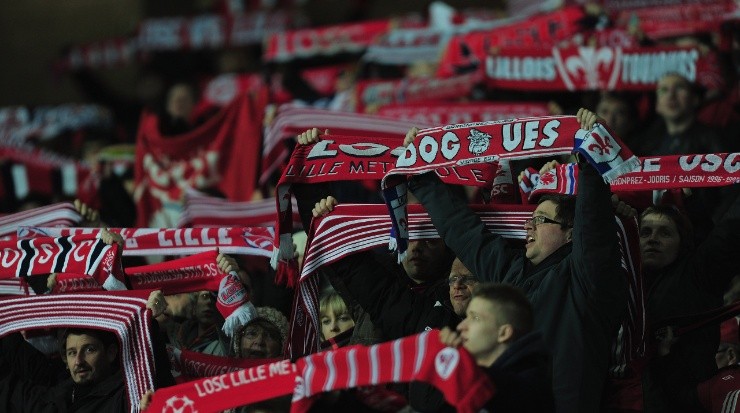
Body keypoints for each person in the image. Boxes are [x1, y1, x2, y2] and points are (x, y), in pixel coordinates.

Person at [404, 108, 628, 413]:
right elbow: (463, 231)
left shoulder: (586, 280)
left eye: (541, 219)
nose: (528, 226)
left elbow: (594, 225)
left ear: (571, 233)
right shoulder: (512, 272)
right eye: (530, 219)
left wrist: (590, 157)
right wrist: (421, 177)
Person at [638, 191, 740, 412]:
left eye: (665, 233)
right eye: (645, 232)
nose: (652, 238)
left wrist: (693, 204)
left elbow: (731, 231)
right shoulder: (621, 283)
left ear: (682, 244)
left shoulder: (698, 275)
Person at [0, 291, 170, 412]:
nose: (79, 361)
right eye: (72, 353)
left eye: (89, 350)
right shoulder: (60, 390)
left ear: (111, 353)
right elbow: (19, 360)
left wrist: (148, 321)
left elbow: (154, 373)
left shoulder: (127, 396)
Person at [439, 283, 553, 412]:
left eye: (475, 318)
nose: (461, 327)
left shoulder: (519, 392)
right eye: (467, 317)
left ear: (503, 333)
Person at [635, 72, 724, 156]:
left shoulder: (713, 140)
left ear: (694, 99)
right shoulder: (646, 143)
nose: (671, 95)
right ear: (657, 105)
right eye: (664, 90)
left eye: (679, 88)